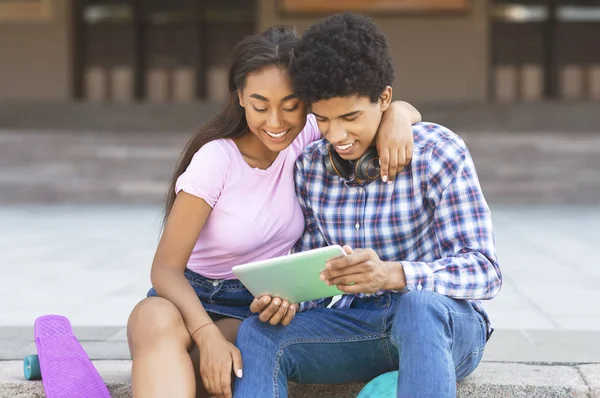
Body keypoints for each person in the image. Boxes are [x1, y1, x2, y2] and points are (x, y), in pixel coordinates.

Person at [126, 24, 421, 398]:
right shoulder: (216, 160)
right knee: (156, 321)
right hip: (188, 300)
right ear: (240, 99)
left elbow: (380, 105)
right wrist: (204, 334)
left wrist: (395, 115)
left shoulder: (314, 133)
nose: (276, 123)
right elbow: (165, 269)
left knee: (241, 349)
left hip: (256, 306)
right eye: (260, 106)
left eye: (291, 106)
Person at [234, 12, 502, 398]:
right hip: (355, 325)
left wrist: (393, 275)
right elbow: (314, 274)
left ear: (385, 99)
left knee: (418, 308)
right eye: (322, 119)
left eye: (350, 117)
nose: (336, 135)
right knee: (256, 332)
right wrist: (286, 298)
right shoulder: (311, 168)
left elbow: (484, 270)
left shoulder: (438, 153)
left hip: (442, 327)